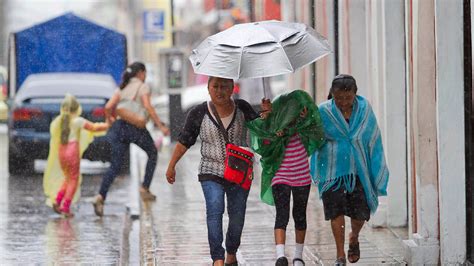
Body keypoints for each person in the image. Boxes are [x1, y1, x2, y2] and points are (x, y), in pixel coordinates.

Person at [165, 76, 271, 266]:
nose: (219, 91)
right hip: (210, 170)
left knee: (237, 214)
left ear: (233, 88)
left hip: (239, 172)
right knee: (215, 209)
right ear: (208, 88)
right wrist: (171, 165)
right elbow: (184, 141)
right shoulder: (198, 112)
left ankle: (231, 252)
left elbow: (261, 132)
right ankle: (218, 258)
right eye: (215, 86)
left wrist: (266, 114)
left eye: (224, 86)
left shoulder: (243, 108)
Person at [310, 74, 389, 265]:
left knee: (360, 213)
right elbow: (313, 138)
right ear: (332, 94)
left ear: (355, 93)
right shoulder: (323, 112)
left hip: (359, 169)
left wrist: (376, 168)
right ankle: (339, 255)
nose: (343, 102)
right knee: (335, 212)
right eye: (338, 98)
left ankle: (354, 237)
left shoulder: (365, 110)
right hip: (332, 172)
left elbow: (373, 138)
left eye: (347, 97)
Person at [246, 90, 325, 266]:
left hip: (302, 177)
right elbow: (262, 143)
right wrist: (267, 118)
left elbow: (316, 132)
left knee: (300, 215)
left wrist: (305, 118)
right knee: (282, 215)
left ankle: (298, 256)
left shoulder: (303, 125)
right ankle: (280, 256)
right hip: (280, 176)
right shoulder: (273, 125)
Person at [93, 62, 170, 217]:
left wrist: (110, 121)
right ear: (140, 73)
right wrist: (160, 125)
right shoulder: (142, 86)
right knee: (152, 153)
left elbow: (108, 107)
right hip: (136, 128)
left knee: (114, 166)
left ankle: (101, 196)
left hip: (119, 127)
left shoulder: (122, 87)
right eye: (145, 73)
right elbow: (148, 107)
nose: (145, 76)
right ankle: (145, 188)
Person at [43, 94, 109, 217]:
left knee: (67, 178)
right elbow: (94, 127)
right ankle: (65, 207)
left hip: (62, 151)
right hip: (72, 152)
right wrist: (108, 125)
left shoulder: (60, 121)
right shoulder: (78, 121)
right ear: (76, 108)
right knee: (74, 179)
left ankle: (57, 201)